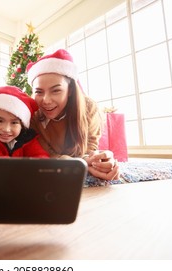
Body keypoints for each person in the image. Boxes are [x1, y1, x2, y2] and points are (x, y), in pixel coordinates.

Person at [26, 49, 120, 180]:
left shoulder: (89, 108)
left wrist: (99, 161)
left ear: (70, 90)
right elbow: (42, 154)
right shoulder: (32, 116)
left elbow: (90, 148)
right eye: (39, 92)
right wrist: (77, 162)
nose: (46, 100)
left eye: (56, 90)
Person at [0, 85, 49, 157]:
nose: (6, 129)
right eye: (0, 121)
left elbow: (40, 157)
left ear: (22, 125)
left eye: (14, 122)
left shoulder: (27, 137)